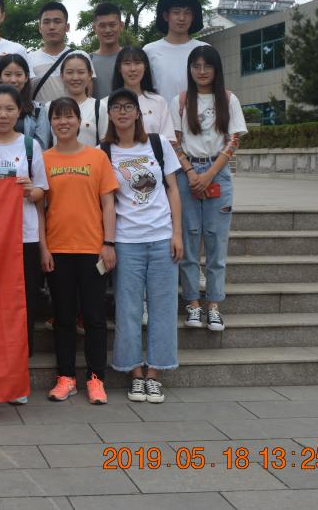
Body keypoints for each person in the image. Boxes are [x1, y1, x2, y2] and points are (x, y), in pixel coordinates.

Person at [102, 88, 183, 404]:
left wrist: (177, 234)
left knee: (164, 308)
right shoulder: (103, 151)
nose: (122, 112)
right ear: (109, 114)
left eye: (128, 106)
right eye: (116, 107)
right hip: (127, 241)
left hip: (161, 238)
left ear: (138, 112)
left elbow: (173, 190)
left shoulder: (158, 144)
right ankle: (135, 373)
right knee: (128, 309)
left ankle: (155, 373)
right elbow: (107, 201)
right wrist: (108, 242)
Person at [41, 97, 118, 403]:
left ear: (79, 121)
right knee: (63, 317)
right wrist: (43, 248)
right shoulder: (43, 159)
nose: (63, 122)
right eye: (57, 117)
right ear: (51, 122)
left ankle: (96, 378)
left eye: (69, 116)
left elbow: (108, 203)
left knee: (95, 317)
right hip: (58, 249)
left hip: (92, 249)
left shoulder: (97, 157)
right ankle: (66, 377)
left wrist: (108, 243)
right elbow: (39, 209)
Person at [0, 84, 48, 404]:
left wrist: (30, 190)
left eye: (9, 109)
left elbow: (42, 193)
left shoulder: (31, 146)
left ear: (19, 111)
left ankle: (17, 378)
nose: (3, 115)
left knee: (23, 306)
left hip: (24, 237)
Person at [173, 46, 247, 332]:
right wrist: (192, 172)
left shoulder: (228, 99)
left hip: (219, 174)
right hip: (187, 175)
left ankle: (214, 305)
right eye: (196, 66)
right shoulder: (180, 100)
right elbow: (173, 141)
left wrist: (210, 174)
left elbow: (234, 139)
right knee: (189, 242)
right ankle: (192, 303)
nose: (201, 71)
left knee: (216, 244)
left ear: (217, 69)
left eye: (207, 66)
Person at [98, 47, 175, 142]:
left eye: (137, 63)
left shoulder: (158, 101)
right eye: (127, 63)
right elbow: (104, 141)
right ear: (119, 68)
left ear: (145, 67)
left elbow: (169, 140)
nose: (133, 69)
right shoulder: (104, 104)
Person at [143, 0, 206, 106]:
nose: (182, 18)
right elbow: (144, 89)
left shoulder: (203, 49)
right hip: (161, 114)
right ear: (166, 16)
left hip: (197, 114)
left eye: (187, 13)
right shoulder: (149, 50)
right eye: (176, 12)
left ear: (193, 17)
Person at [27, 1, 90, 104]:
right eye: (46, 22)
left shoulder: (81, 56)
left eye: (57, 21)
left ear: (67, 27)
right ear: (39, 27)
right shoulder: (29, 59)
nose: (52, 27)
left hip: (75, 114)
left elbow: (88, 95)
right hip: (39, 114)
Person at [43, 53, 103, 147]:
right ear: (62, 75)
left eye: (81, 72)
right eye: (70, 72)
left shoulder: (100, 106)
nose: (75, 78)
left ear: (90, 75)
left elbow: (105, 144)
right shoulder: (49, 107)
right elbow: (45, 144)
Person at [0, 54, 51, 149]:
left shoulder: (37, 109)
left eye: (18, 74)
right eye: (7, 74)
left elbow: (41, 146)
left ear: (26, 77)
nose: (13, 80)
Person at [89, 3, 125, 100]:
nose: (108, 30)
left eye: (112, 25)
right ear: (94, 28)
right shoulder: (87, 61)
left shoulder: (132, 59)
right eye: (102, 26)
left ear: (121, 25)